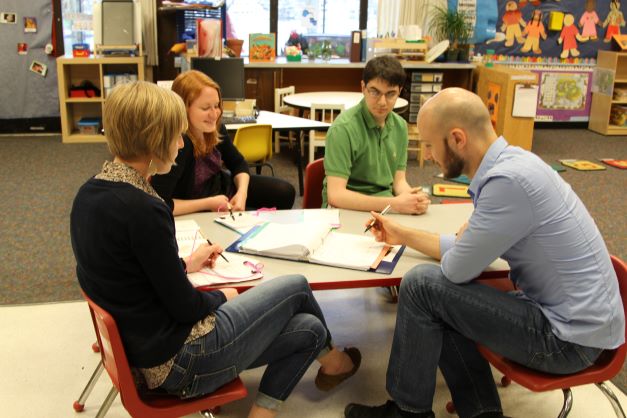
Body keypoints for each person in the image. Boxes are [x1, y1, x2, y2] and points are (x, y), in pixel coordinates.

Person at [70, 81, 360, 418]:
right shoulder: (145, 209)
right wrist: (226, 295)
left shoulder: (89, 194)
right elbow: (186, 307)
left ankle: (274, 405)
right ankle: (335, 361)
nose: (181, 145)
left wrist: (183, 265)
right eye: (177, 136)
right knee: (295, 285)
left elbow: (129, 274)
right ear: (154, 139)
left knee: (309, 329)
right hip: (181, 361)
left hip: (141, 351)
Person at [345, 88, 624, 418]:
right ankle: (483, 413)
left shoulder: (506, 183)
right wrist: (400, 233)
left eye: (432, 146)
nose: (430, 156)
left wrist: (463, 245)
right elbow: (461, 256)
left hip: (567, 341)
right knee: (442, 298)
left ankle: (408, 413)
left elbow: (455, 270)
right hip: (574, 323)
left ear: (458, 138)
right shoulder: (516, 164)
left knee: (422, 286)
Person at [151, 70, 295, 215]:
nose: (214, 114)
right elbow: (160, 202)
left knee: (285, 192)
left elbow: (239, 164)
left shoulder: (215, 128)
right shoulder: (179, 144)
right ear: (183, 108)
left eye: (217, 105)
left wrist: (241, 194)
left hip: (220, 191)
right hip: (196, 205)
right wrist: (208, 203)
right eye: (205, 108)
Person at [322, 55, 430, 215]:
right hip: (345, 209)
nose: (382, 102)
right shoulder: (343, 129)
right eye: (375, 92)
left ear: (399, 91)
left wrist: (413, 198)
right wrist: (394, 204)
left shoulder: (400, 126)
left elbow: (399, 182)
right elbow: (336, 196)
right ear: (363, 88)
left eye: (391, 94)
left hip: (385, 206)